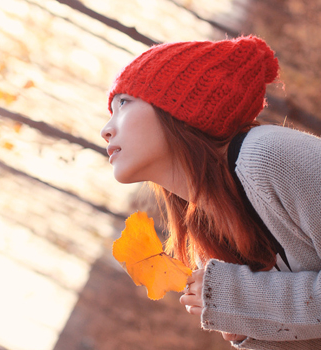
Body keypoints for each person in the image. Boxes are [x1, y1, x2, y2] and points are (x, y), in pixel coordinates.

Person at [100, 35, 321, 350]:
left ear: (178, 105)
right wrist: (244, 328)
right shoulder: (208, 232)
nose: (106, 129)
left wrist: (242, 298)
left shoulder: (269, 156)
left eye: (123, 103)